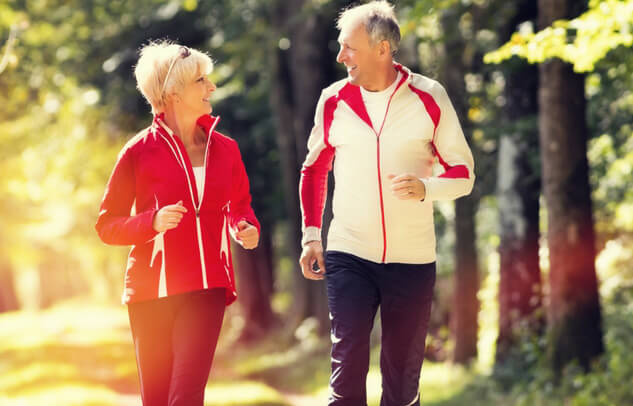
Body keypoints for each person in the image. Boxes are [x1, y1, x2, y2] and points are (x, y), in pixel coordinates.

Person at [298, 2, 475, 405]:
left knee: (400, 381)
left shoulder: (428, 98)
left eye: (349, 48)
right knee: (347, 372)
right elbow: (313, 171)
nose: (341, 56)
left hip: (412, 260)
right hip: (349, 251)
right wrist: (311, 236)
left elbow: (464, 174)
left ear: (382, 49)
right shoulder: (334, 100)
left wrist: (426, 187)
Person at [95, 40, 260, 406]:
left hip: (207, 288)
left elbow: (240, 206)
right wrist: (151, 221)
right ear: (173, 93)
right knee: (156, 399)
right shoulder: (138, 152)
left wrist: (245, 227)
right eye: (202, 80)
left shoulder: (226, 149)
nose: (211, 87)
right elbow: (107, 225)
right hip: (151, 291)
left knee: (185, 395)